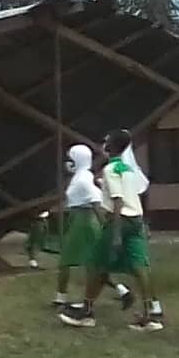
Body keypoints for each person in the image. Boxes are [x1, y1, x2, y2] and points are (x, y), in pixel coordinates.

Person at [60, 129, 162, 330]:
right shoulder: (128, 169)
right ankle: (151, 315)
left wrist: (115, 234)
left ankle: (87, 313)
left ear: (112, 146)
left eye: (106, 141)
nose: (103, 144)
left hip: (119, 220)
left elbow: (118, 200)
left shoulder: (109, 170)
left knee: (96, 265)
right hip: (136, 220)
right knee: (140, 267)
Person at [53, 144, 132, 308]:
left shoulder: (82, 179)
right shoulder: (81, 176)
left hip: (83, 223)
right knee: (93, 264)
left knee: (69, 261)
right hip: (79, 220)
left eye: (70, 159)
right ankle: (122, 291)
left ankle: (61, 298)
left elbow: (96, 201)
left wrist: (106, 227)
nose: (66, 162)